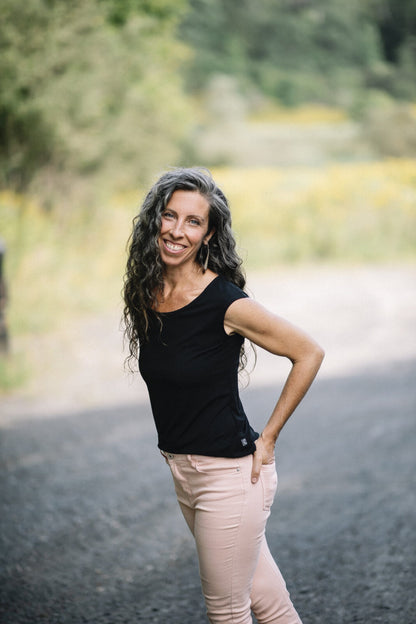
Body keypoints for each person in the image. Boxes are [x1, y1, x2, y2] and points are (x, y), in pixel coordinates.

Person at [123, 167, 324, 624]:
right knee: (270, 604)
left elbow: (308, 352)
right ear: (155, 219)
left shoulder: (226, 301)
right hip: (185, 472)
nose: (177, 231)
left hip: (229, 477)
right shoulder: (148, 291)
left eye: (193, 221)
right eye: (169, 216)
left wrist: (268, 438)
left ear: (209, 233)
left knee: (227, 613)